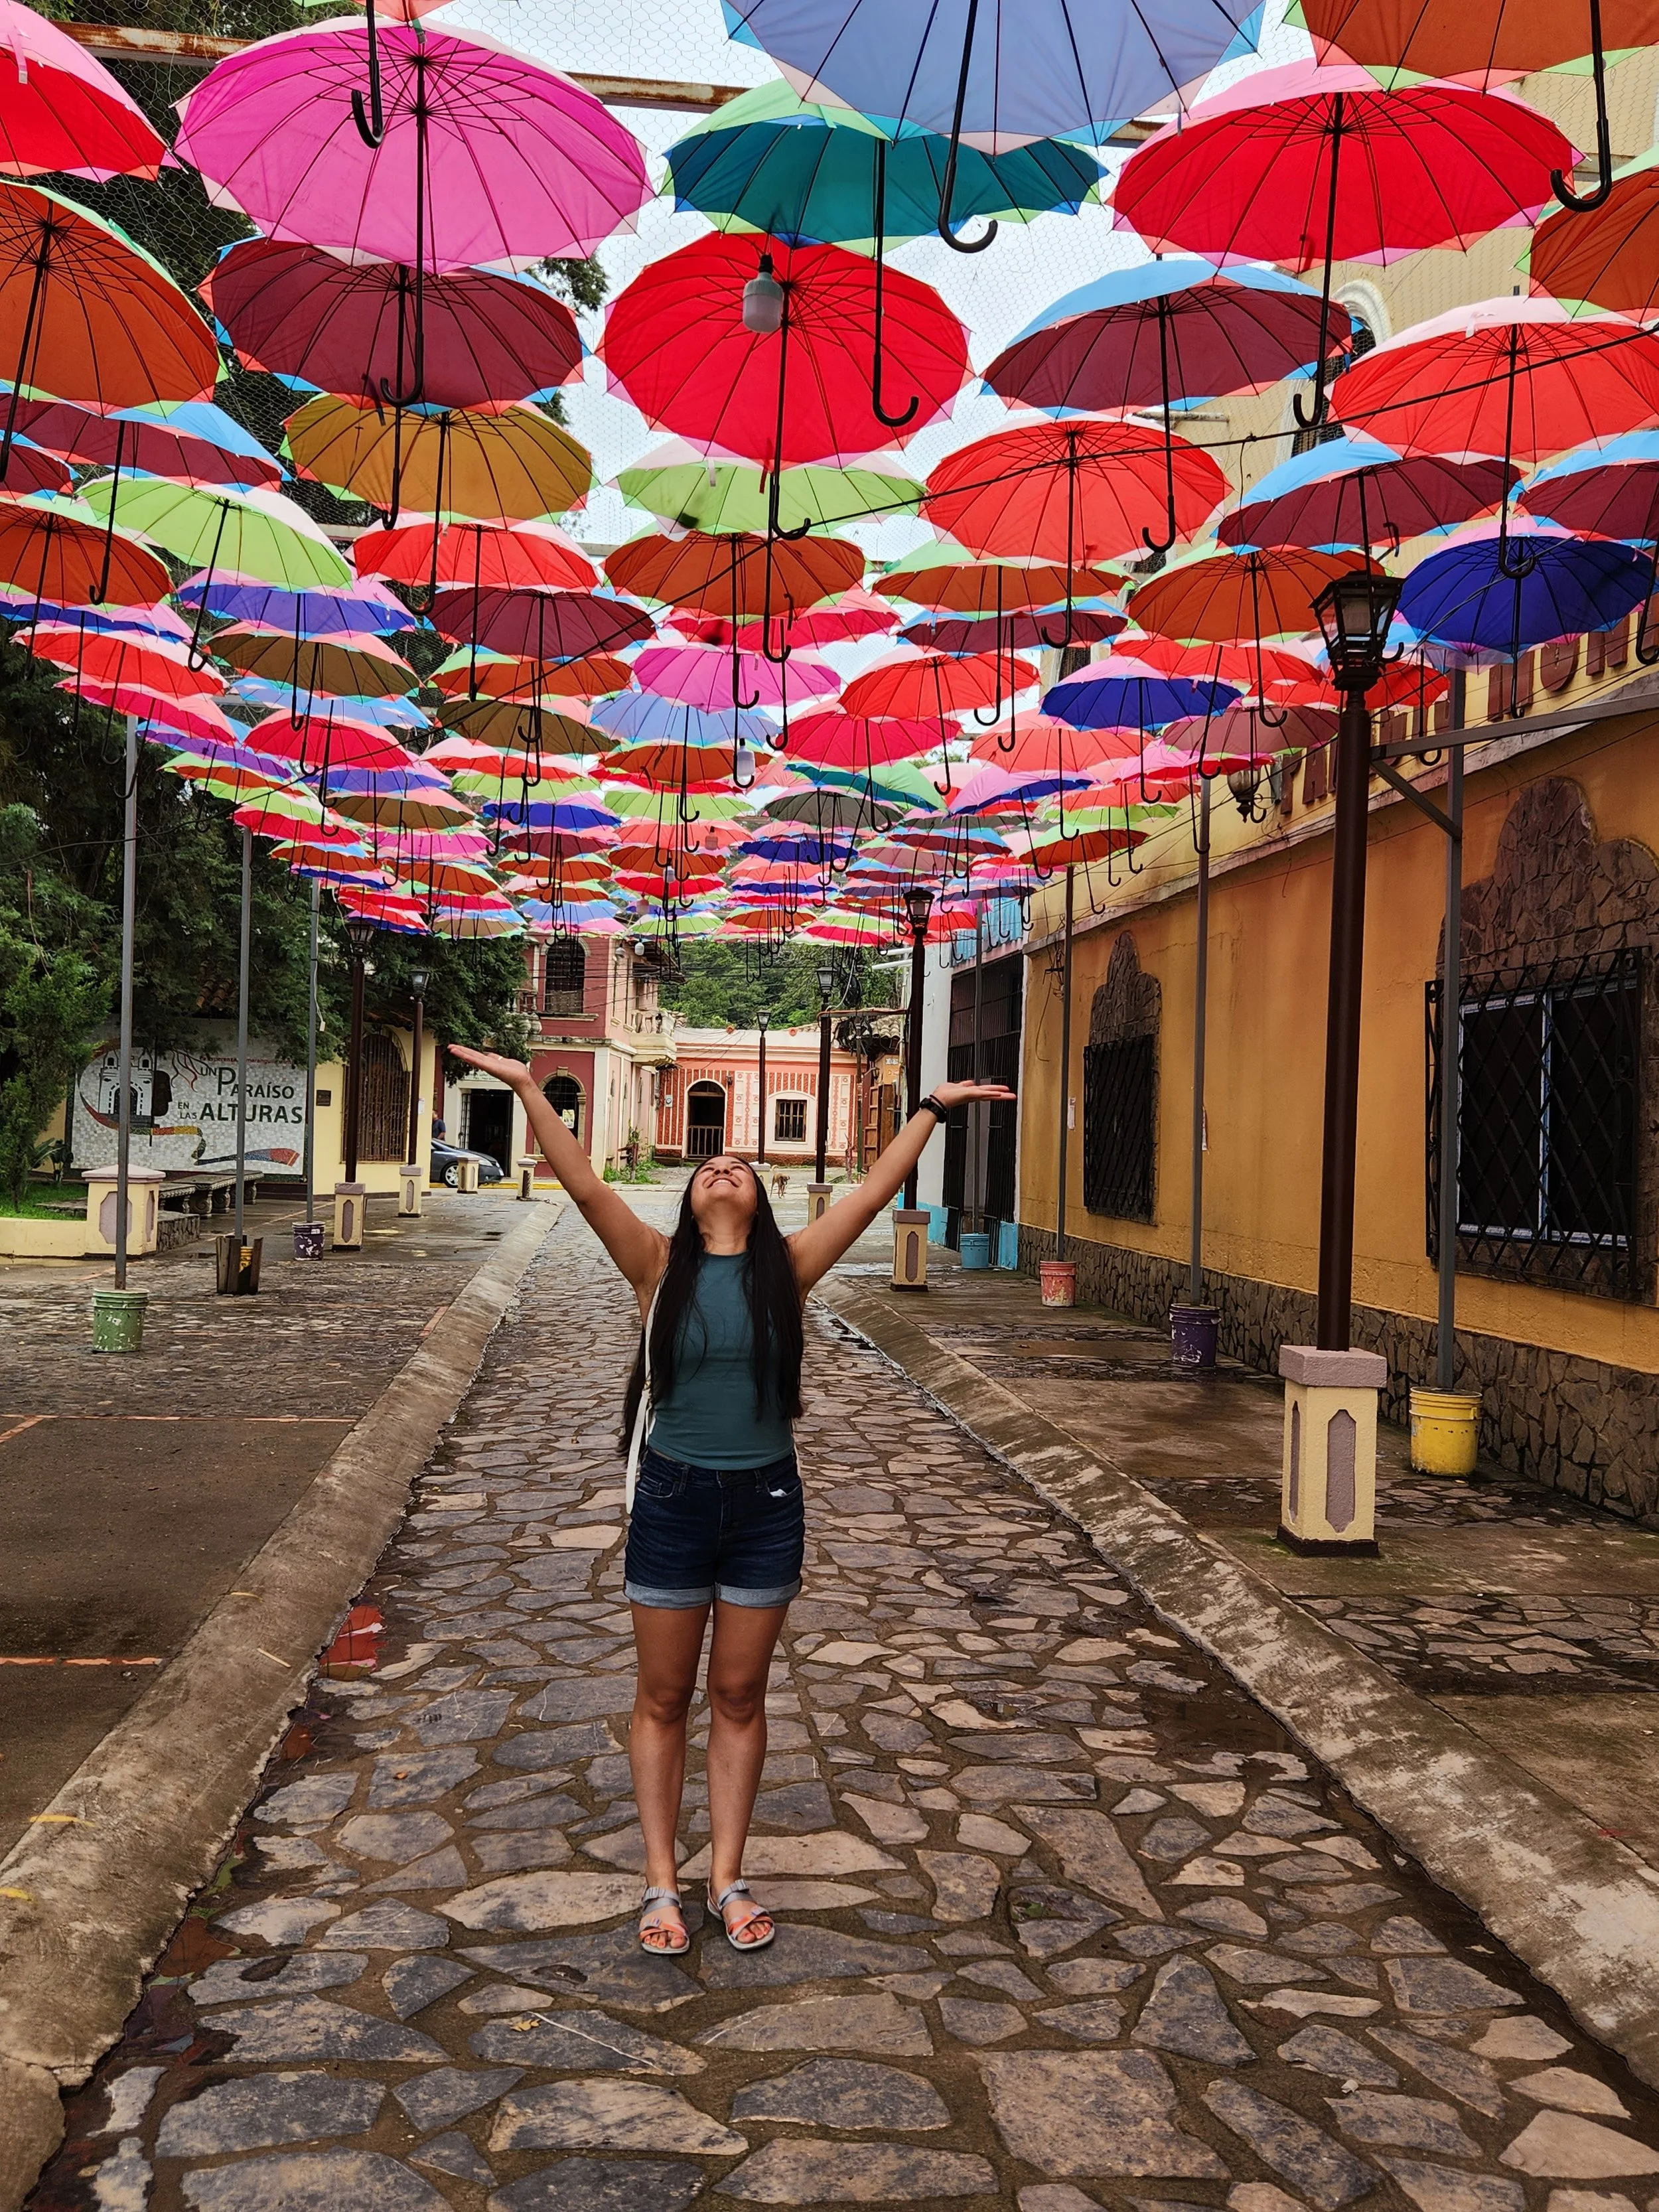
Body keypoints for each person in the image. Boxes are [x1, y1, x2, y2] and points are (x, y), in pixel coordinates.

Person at [445, 1043, 1015, 1956]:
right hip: (673, 1498)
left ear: (757, 1200)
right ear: (691, 1194)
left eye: (741, 1168)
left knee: (742, 1694)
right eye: (714, 1164)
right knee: (665, 1696)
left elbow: (869, 1196)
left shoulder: (785, 1270)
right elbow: (584, 1181)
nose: (725, 1167)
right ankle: (662, 1883)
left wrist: (933, 1109)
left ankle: (728, 1878)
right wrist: (523, 1086)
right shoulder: (653, 1268)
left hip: (765, 1502)